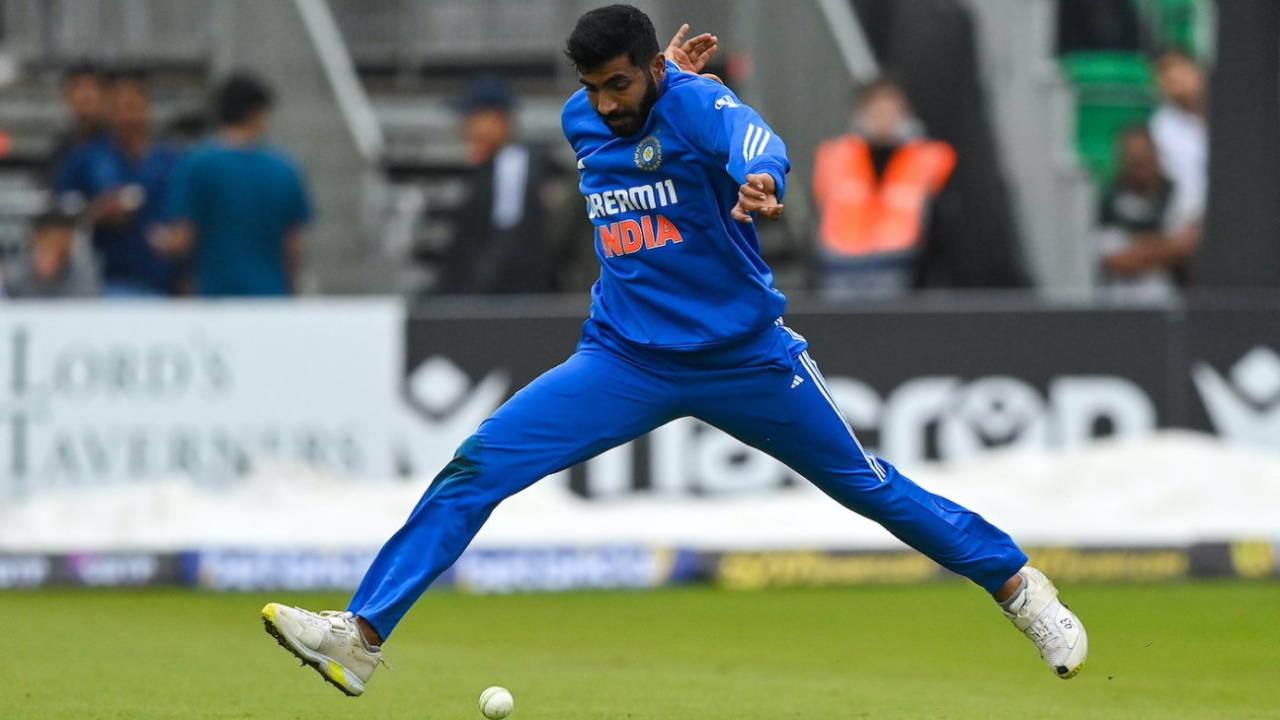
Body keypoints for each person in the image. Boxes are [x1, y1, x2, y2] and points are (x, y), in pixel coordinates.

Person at [259, 5, 1087, 696]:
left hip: (744, 357)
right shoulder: (583, 119)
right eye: (594, 87)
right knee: (476, 468)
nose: (608, 103)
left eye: (622, 83)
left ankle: (1018, 587)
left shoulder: (692, 102)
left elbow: (754, 138)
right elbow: (620, 118)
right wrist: (648, 87)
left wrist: (758, 177)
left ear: (653, 67)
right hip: (622, 358)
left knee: (869, 488)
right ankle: (361, 634)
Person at [157, 73, 311, 296]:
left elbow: (183, 239)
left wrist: (157, 241)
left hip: (216, 296)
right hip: (269, 295)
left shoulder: (196, 164)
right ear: (257, 114)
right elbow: (294, 246)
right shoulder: (285, 169)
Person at [811, 77, 955, 299]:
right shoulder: (835, 155)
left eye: (890, 111)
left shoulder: (928, 157)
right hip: (840, 265)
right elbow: (820, 209)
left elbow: (937, 218)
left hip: (898, 265)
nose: (883, 119)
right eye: (876, 110)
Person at [53, 70, 182, 297]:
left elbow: (187, 216)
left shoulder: (170, 160)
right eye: (120, 108)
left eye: (133, 106)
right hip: (106, 282)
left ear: (147, 108)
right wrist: (97, 212)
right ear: (109, 112)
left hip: (163, 282)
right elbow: (60, 215)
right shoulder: (86, 159)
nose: (127, 117)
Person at [432, 77, 563, 294]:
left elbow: (507, 241)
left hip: (506, 302)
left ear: (497, 119)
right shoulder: (497, 165)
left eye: (472, 117)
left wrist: (474, 297)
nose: (464, 127)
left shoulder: (513, 162)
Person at [1095, 125, 1195, 298]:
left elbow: (1186, 247)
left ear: (1156, 155)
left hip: (1172, 305)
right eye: (1133, 161)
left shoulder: (1179, 194)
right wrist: (1165, 245)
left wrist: (1137, 245)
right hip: (1119, 306)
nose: (1139, 166)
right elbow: (1117, 261)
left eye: (1144, 159)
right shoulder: (1109, 200)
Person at [1148, 48, 1206, 249]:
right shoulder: (1159, 127)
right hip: (1182, 226)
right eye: (1162, 71)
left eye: (1178, 67)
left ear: (1199, 71)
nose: (1172, 76)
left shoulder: (1233, 114)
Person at [1, 206, 98, 298]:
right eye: (51, 241)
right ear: (36, 240)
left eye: (63, 241)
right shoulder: (15, 272)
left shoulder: (83, 271)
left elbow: (88, 306)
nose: (57, 246)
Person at [45, 62, 109, 185]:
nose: (85, 95)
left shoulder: (118, 144)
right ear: (67, 97)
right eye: (78, 88)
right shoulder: (61, 149)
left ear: (104, 95)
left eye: (92, 87)